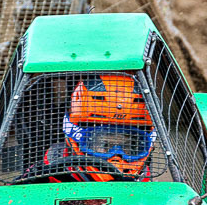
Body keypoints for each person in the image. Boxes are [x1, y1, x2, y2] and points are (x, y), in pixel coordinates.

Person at [28, 73, 157, 183]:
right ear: (76, 136)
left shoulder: (143, 179)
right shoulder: (49, 168)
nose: (116, 157)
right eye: (104, 144)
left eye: (128, 146)